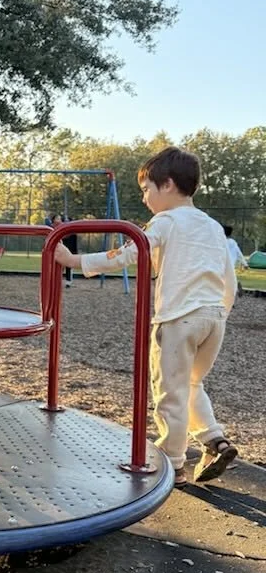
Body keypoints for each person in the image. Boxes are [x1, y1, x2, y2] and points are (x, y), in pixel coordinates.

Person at [54, 146, 237, 487]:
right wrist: (220, 311)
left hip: (179, 318)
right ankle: (215, 440)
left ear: (166, 185)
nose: (145, 198)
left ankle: (173, 463)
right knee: (191, 383)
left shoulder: (166, 221)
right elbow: (230, 278)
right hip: (213, 318)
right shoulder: (212, 227)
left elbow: (129, 251)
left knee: (170, 390)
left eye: (146, 190)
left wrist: (75, 261)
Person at [51, 213, 77, 286]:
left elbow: (70, 235)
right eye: (57, 218)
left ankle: (68, 281)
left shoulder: (66, 227)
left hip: (68, 248)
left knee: (68, 264)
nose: (59, 220)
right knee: (58, 265)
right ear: (53, 220)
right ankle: (56, 280)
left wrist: (67, 224)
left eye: (60, 218)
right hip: (59, 249)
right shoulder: (52, 228)